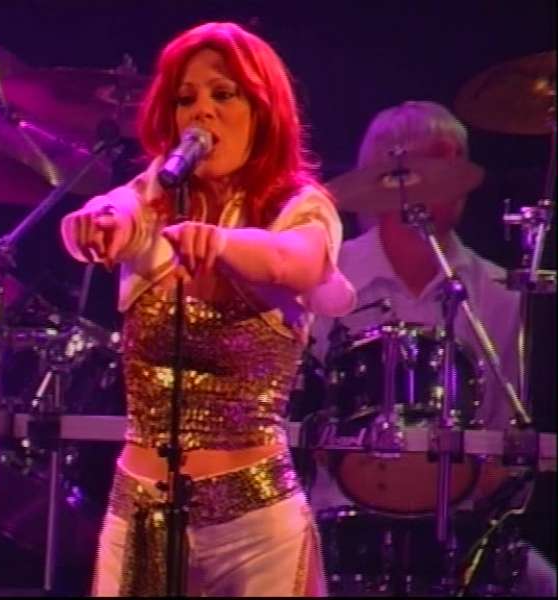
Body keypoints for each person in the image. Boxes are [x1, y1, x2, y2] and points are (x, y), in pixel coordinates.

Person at [59, 21, 355, 597]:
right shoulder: (154, 193)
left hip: (255, 527)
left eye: (224, 94)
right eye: (185, 98)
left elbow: (294, 261)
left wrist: (220, 243)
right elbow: (112, 214)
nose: (202, 111)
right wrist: (91, 224)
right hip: (140, 515)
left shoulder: (299, 206)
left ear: (262, 110)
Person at [308, 100, 555, 596]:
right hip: (338, 526)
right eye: (440, 160)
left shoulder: (499, 293)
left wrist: (495, 478)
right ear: (387, 177)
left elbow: (506, 441)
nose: (456, 177)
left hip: (459, 533)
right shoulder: (325, 276)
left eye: (461, 161)